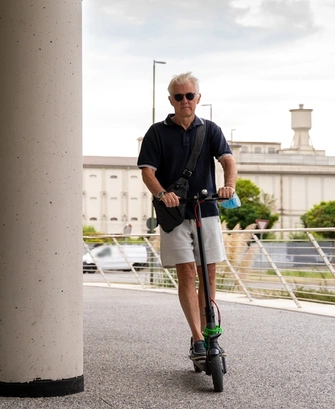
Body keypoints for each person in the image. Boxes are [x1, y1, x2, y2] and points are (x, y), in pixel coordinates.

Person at [137, 72, 237, 360]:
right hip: (175, 213)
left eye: (189, 95)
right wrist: (161, 194)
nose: (185, 101)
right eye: (178, 97)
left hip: (206, 209)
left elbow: (228, 160)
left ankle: (210, 331)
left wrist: (229, 186)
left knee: (208, 272)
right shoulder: (157, 132)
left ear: (198, 98)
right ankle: (197, 339)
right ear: (171, 100)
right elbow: (147, 172)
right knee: (187, 273)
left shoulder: (211, 130)